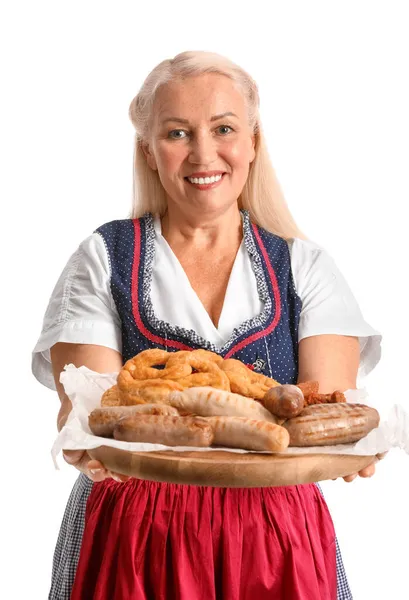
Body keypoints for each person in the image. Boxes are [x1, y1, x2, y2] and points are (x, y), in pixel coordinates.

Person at [32, 50, 381, 600]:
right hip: (137, 530)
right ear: (148, 150)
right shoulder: (103, 258)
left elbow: (329, 409)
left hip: (274, 534)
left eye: (223, 128)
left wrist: (355, 451)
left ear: (252, 142)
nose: (203, 153)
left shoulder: (305, 267)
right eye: (177, 133)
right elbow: (90, 407)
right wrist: (80, 439)